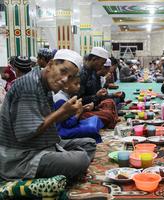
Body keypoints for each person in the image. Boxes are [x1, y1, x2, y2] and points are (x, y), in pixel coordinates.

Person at [0, 49, 97, 180]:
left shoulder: (45, 86)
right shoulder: (29, 85)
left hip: (45, 145)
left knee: (89, 144)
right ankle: (65, 169)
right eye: (63, 71)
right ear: (50, 64)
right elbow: (26, 133)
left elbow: (48, 122)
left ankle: (63, 169)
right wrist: (62, 111)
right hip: (22, 157)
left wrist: (68, 113)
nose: (64, 80)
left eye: (70, 77)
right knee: (80, 159)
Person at [53, 75, 103, 143]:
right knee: (91, 129)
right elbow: (67, 124)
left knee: (95, 118)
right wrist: (79, 112)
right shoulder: (60, 99)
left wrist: (83, 109)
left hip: (68, 125)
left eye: (79, 84)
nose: (79, 86)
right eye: (76, 84)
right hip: (61, 131)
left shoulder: (67, 96)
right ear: (65, 86)